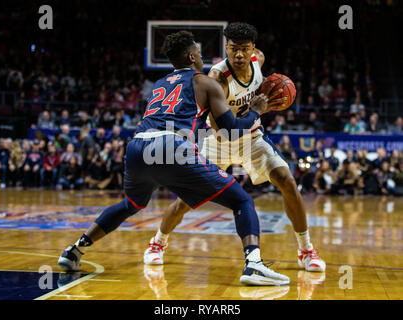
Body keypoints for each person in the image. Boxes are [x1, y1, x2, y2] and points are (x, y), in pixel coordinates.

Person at [58, 30, 290, 286]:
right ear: (191, 56)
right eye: (200, 54)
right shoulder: (205, 82)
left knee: (131, 205)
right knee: (242, 201)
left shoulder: (161, 84)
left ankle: (74, 250)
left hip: (137, 147)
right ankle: (253, 264)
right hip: (171, 146)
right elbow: (231, 131)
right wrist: (256, 111)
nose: (202, 58)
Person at [143, 23, 326, 273]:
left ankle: (306, 250)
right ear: (225, 48)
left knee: (287, 180)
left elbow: (258, 103)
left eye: (243, 49)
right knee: (186, 200)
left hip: (251, 137)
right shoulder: (218, 78)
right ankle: (157, 243)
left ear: (253, 49)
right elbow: (224, 130)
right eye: (232, 49)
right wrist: (257, 111)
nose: (238, 55)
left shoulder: (258, 60)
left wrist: (272, 101)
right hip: (218, 140)